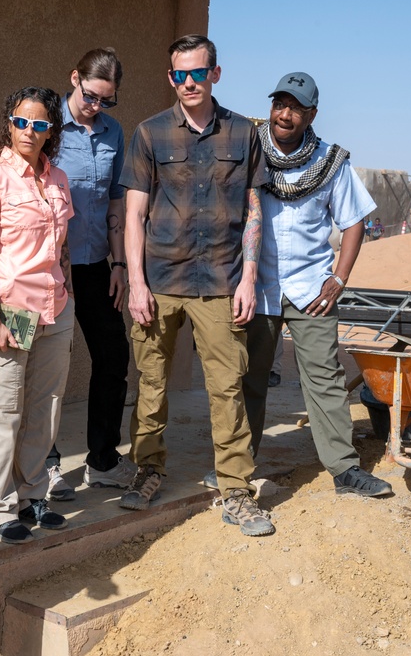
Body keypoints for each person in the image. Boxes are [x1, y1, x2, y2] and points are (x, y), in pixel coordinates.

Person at [119, 34, 275, 537]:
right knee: (151, 383)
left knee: (227, 388)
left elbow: (255, 210)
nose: (188, 82)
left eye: (197, 72)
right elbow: (134, 214)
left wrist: (249, 279)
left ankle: (235, 490)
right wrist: (136, 283)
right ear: (171, 78)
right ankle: (148, 470)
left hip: (221, 281)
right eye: (179, 74)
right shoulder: (149, 133)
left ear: (215, 74)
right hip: (161, 280)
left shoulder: (243, 135)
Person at [241, 71, 393, 499]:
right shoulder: (249, 151)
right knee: (249, 377)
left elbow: (354, 222)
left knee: (324, 378)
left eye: (294, 108)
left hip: (311, 288)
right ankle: (238, 466)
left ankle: (345, 470)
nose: (283, 115)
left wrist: (339, 278)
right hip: (258, 286)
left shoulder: (330, 162)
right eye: (279, 104)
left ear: (311, 115)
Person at [0, 87, 75, 545]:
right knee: (2, 410)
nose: (30, 131)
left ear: (52, 131)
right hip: (10, 310)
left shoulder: (59, 179)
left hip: (55, 309)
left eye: (41, 124)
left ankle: (32, 494)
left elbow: (60, 247)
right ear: (9, 124)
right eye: (22, 121)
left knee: (44, 409)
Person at [42, 47, 136, 501]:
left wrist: (119, 264)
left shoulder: (113, 132)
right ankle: (45, 465)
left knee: (113, 357)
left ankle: (103, 459)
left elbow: (115, 202)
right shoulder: (45, 124)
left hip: (96, 264)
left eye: (106, 100)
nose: (96, 106)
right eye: (91, 95)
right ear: (74, 77)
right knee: (46, 365)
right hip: (49, 268)